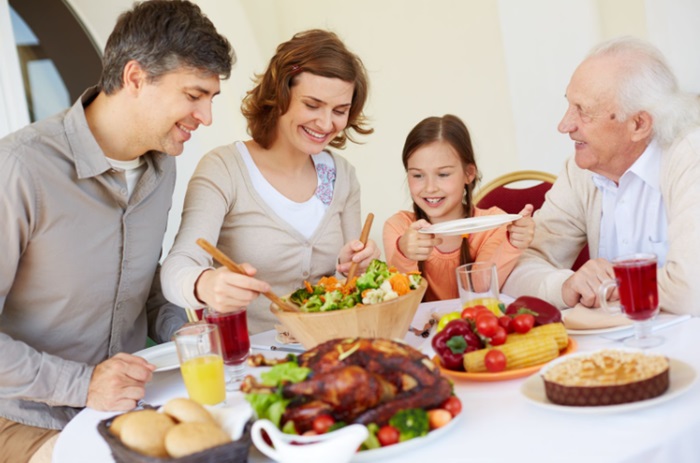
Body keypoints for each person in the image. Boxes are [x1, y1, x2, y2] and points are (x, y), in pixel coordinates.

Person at [0, 1, 234, 461]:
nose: (205, 117)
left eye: (211, 99)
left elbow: (140, 280)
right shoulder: (19, 169)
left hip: (128, 406)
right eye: (193, 95)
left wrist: (178, 329)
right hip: (24, 418)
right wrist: (84, 384)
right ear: (134, 78)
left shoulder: (160, 167)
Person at [161, 29, 380, 334]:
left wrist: (355, 267)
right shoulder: (224, 168)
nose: (327, 123)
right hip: (250, 364)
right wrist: (205, 283)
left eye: (340, 111)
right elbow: (177, 267)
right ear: (279, 94)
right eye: (312, 105)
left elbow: (350, 287)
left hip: (332, 351)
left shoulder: (342, 175)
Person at [503, 36, 700, 315]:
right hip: (612, 351)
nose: (564, 125)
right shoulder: (583, 169)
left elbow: (692, 291)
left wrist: (611, 286)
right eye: (569, 105)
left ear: (638, 123)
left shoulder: (692, 157)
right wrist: (567, 285)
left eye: (583, 111)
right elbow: (518, 266)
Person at [383, 114, 535, 301]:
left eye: (443, 174)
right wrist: (404, 253)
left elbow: (480, 287)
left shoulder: (493, 224)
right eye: (417, 176)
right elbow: (401, 299)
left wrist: (514, 243)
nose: (430, 188)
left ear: (469, 173)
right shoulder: (398, 227)